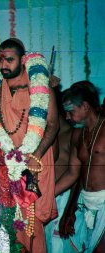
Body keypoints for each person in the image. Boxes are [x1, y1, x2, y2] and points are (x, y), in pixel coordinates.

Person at [0, 38, 58, 252]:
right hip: (6, 159)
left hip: (34, 159)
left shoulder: (40, 85)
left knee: (31, 218)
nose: (4, 65)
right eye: (1, 60)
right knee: (7, 217)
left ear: (23, 60)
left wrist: (36, 154)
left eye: (10, 60)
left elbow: (52, 125)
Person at [55, 81, 105, 253]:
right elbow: (73, 174)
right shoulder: (77, 134)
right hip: (87, 202)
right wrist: (48, 197)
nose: (67, 117)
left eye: (70, 111)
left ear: (85, 106)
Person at [44, 86, 74, 253]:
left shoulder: (72, 134)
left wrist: (51, 193)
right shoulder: (41, 133)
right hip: (44, 197)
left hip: (60, 197)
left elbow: (75, 174)